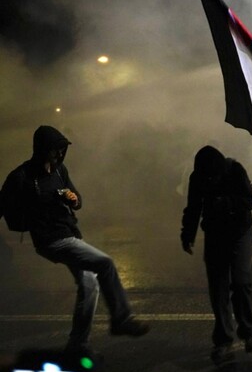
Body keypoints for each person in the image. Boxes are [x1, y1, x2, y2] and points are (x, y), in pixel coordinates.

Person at [6, 125, 150, 353]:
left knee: (89, 285)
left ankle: (77, 345)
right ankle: (121, 319)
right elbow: (4, 206)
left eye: (62, 149)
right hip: (50, 240)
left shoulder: (59, 171)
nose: (59, 154)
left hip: (70, 234)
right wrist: (28, 217)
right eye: (55, 149)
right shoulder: (21, 176)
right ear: (42, 149)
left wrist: (73, 200)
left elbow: (77, 200)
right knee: (105, 263)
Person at [180, 146, 252, 364]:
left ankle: (248, 331)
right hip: (215, 233)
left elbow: (251, 200)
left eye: (213, 176)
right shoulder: (198, 177)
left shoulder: (235, 170)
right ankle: (223, 339)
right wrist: (187, 234)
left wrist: (227, 202)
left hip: (240, 231)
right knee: (218, 287)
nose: (210, 180)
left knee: (241, 282)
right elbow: (193, 207)